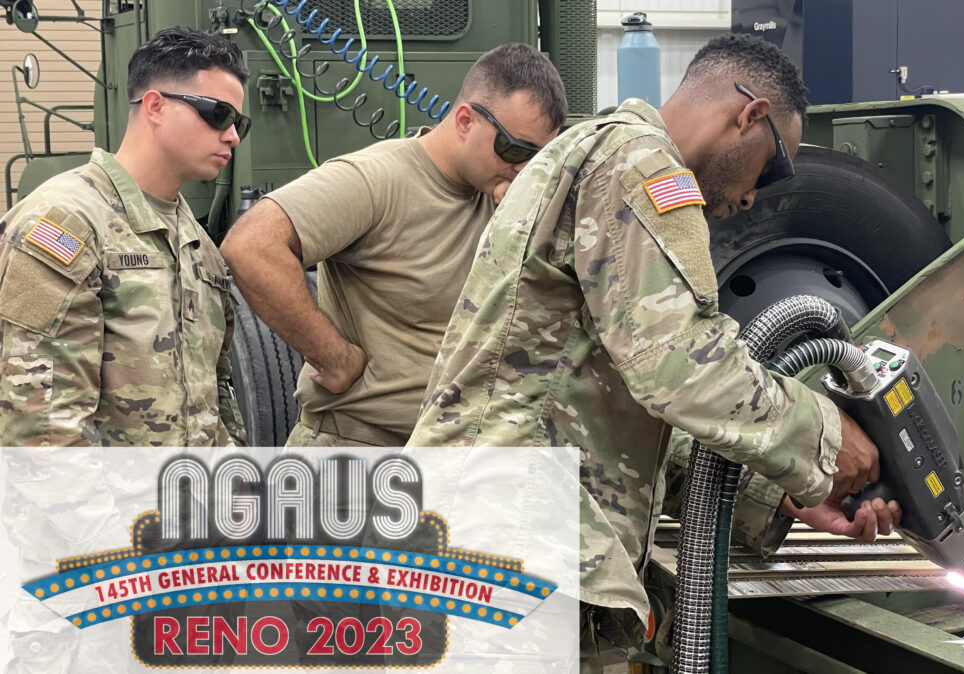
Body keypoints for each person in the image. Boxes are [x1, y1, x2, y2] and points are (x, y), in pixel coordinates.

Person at [407, 34, 901, 635]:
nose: (751, 196)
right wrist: (825, 438)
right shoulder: (639, 163)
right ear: (751, 114)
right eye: (771, 168)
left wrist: (780, 496)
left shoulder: (603, 153)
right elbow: (680, 370)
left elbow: (620, 409)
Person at [221, 43, 567, 447]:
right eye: (514, 149)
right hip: (362, 457)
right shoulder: (377, 179)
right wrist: (334, 356)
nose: (524, 168)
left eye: (540, 158)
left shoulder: (508, 197)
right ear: (465, 120)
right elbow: (251, 244)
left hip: (458, 458)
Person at [0, 26, 249, 446]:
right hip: (112, 510)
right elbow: (41, 428)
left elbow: (216, 394)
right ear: (155, 106)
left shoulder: (197, 243)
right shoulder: (66, 223)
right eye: (219, 114)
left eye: (240, 122)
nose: (233, 135)